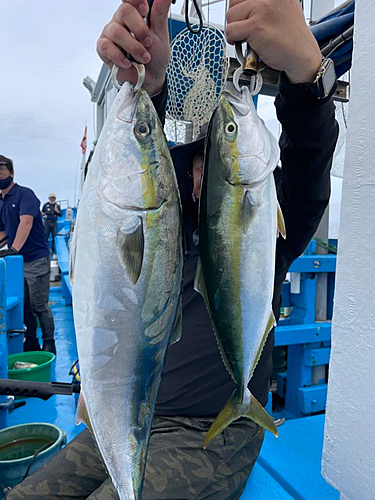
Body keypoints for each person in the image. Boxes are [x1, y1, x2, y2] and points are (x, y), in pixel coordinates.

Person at [6, 0, 338, 498]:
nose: (207, 175)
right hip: (132, 410)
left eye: (220, 165)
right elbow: (147, 177)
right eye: (197, 166)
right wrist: (149, 84)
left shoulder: (269, 234)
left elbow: (308, 168)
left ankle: (242, 405)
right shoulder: (165, 227)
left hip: (207, 434)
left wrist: (307, 80)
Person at [0, 155, 57, 355]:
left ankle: (49, 341)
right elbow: (2, 232)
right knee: (23, 304)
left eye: (2, 169)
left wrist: (13, 250)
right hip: (16, 263)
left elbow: (26, 223)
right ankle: (30, 339)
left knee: (39, 304)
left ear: (11, 172)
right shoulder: (1, 201)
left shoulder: (25, 194)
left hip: (35, 258)